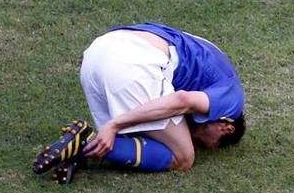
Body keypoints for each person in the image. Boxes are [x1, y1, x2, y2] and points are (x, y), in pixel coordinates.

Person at [32, 22, 246, 182]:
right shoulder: (232, 100)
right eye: (205, 143)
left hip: (97, 53)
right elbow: (182, 100)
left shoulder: (211, 54)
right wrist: (115, 124)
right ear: (226, 128)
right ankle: (84, 142)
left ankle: (73, 154)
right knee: (183, 157)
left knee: (135, 138)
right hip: (133, 65)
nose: (196, 139)